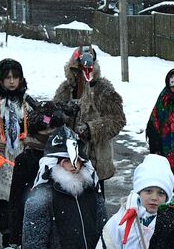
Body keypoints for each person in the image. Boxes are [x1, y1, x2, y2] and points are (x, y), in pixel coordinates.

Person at [51, 46, 125, 189]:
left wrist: (91, 129)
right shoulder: (65, 89)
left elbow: (117, 120)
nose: (81, 75)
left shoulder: (103, 90)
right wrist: (61, 116)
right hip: (67, 159)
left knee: (94, 205)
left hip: (95, 160)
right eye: (77, 70)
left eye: (85, 70)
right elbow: (53, 115)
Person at [0, 59, 30, 249]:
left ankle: (20, 236)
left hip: (21, 154)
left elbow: (38, 124)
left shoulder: (27, 102)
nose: (12, 82)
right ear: (0, 79)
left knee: (22, 196)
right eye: (7, 78)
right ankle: (7, 237)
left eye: (15, 77)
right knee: (4, 198)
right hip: (0, 156)